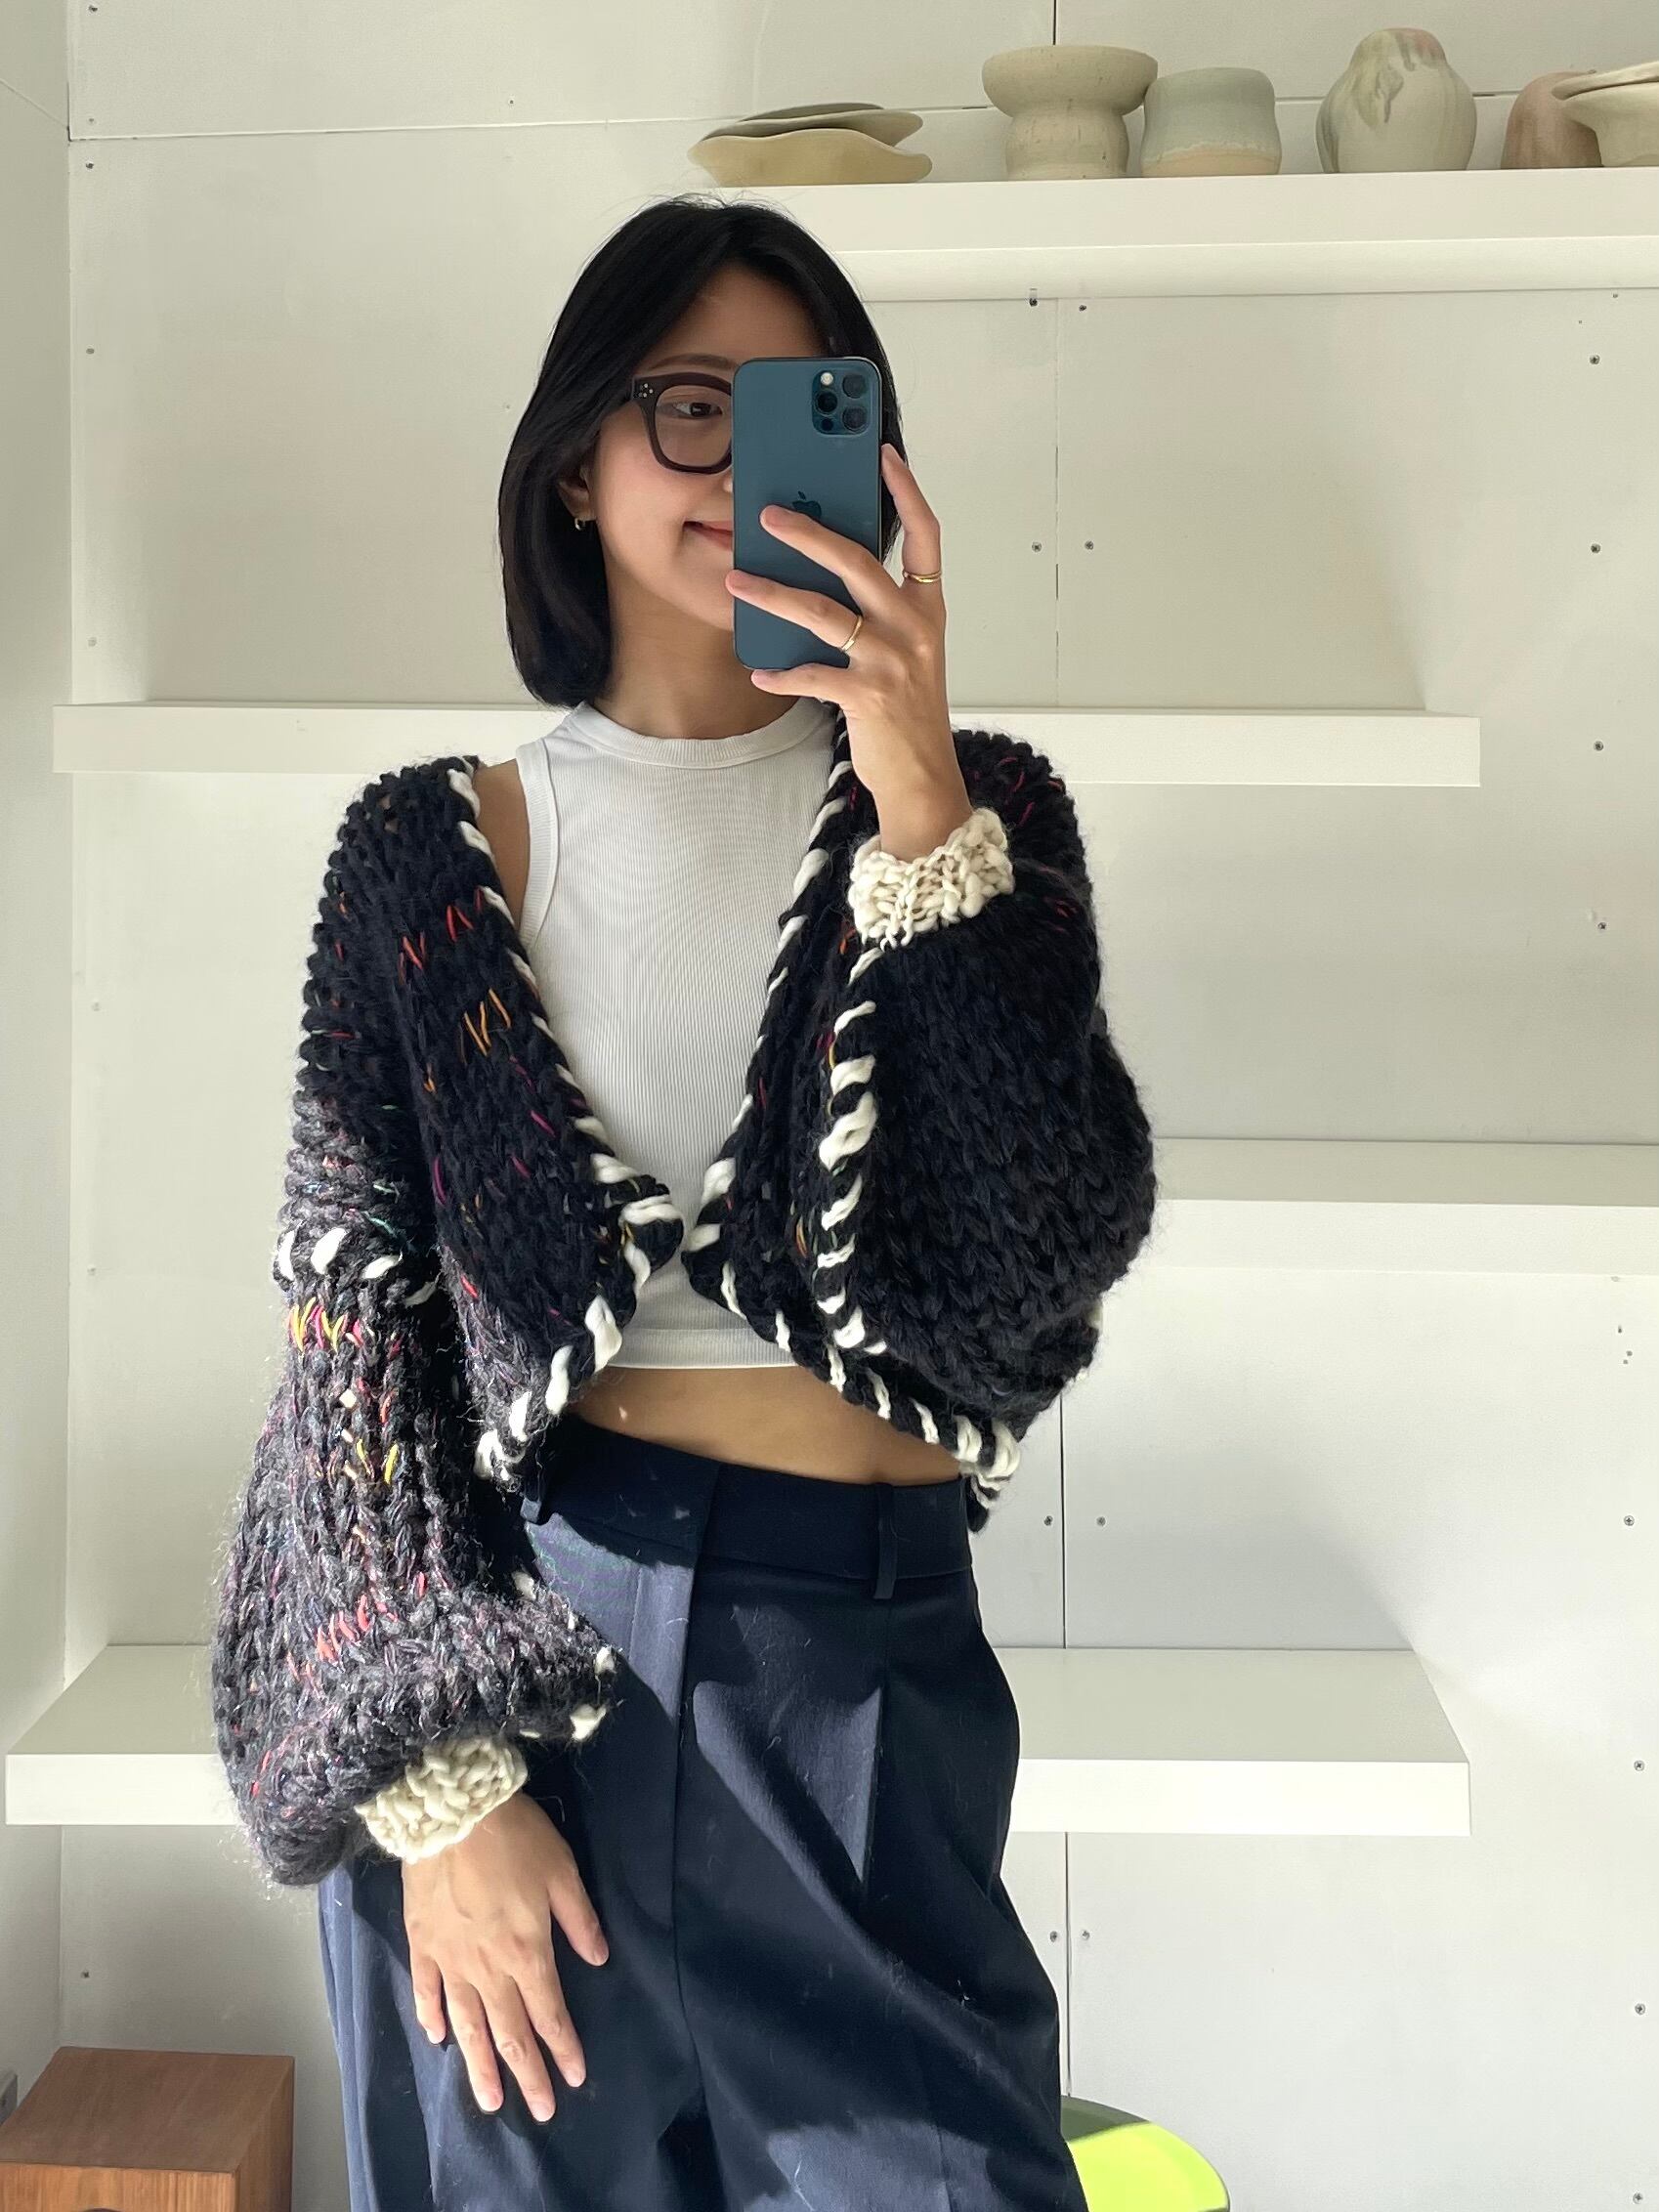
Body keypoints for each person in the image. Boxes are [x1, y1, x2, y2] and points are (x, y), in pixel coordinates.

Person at [210, 191, 1158, 2209]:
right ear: (579, 460)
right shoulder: (431, 853)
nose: (741, 466)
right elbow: (353, 1324)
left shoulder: (979, 816)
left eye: (804, 409)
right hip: (523, 1683)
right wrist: (439, 1794)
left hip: (860, 1671)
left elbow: (1040, 1273)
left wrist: (918, 792)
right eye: (690, 407)